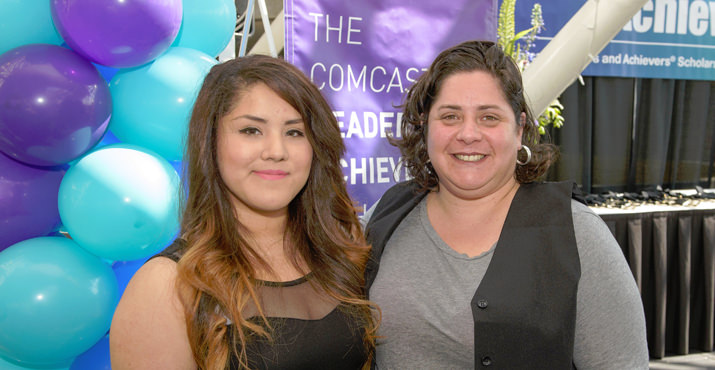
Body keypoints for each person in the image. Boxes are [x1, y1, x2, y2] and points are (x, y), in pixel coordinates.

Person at [364, 40, 649, 369]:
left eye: (488, 117)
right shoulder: (385, 217)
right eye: (450, 116)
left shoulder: (577, 235)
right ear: (426, 126)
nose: (468, 133)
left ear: (519, 129)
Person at [110, 55, 377, 369]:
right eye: (251, 130)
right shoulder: (167, 285)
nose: (276, 151)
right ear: (210, 143)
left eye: (294, 132)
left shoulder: (343, 253)